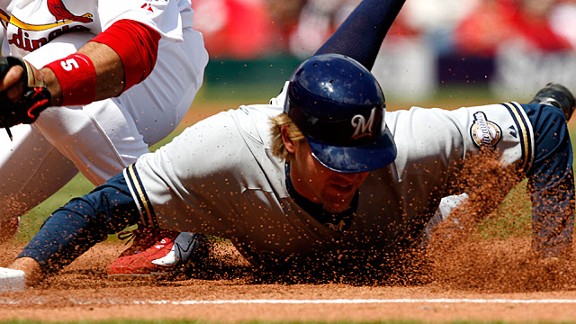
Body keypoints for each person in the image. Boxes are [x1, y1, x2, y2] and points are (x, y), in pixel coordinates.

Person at [4, 0, 575, 287]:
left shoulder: (409, 143)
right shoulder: (225, 150)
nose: (350, 172)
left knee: (439, 227)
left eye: (360, 157)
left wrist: (553, 257)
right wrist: (25, 271)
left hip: (407, 231)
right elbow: (101, 205)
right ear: (289, 139)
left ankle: (173, 235)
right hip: (283, 145)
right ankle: (177, 231)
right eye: (335, 158)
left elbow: (544, 134)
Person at [0, 0, 209, 276]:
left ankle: (172, 217)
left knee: (46, 74)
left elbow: (133, 48)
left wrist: (41, 83)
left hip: (158, 72)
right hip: (43, 78)